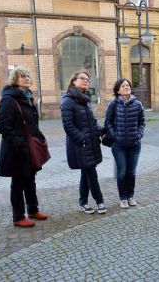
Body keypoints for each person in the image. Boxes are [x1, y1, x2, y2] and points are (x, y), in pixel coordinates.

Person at [0, 68, 48, 228]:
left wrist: (39, 136)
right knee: (18, 182)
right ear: (14, 79)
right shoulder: (9, 99)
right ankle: (18, 217)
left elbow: (32, 123)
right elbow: (3, 126)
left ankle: (33, 209)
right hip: (17, 149)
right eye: (22, 76)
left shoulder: (28, 97)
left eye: (28, 75)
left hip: (29, 147)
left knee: (30, 179)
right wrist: (19, 143)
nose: (27, 78)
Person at [60, 70, 106, 215]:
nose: (86, 81)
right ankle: (100, 202)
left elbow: (91, 121)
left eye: (87, 79)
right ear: (74, 81)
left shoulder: (85, 99)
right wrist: (82, 139)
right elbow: (68, 125)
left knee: (85, 173)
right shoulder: (68, 100)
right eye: (82, 78)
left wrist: (100, 130)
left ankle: (83, 202)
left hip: (90, 142)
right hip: (81, 144)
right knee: (91, 173)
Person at [104, 78, 145, 209]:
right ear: (118, 90)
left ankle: (130, 196)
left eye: (128, 85)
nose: (126, 87)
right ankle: (123, 197)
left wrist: (138, 135)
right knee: (122, 172)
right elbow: (108, 123)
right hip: (119, 145)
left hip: (134, 145)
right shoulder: (113, 105)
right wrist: (115, 136)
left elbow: (142, 122)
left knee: (131, 172)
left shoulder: (137, 104)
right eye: (123, 85)